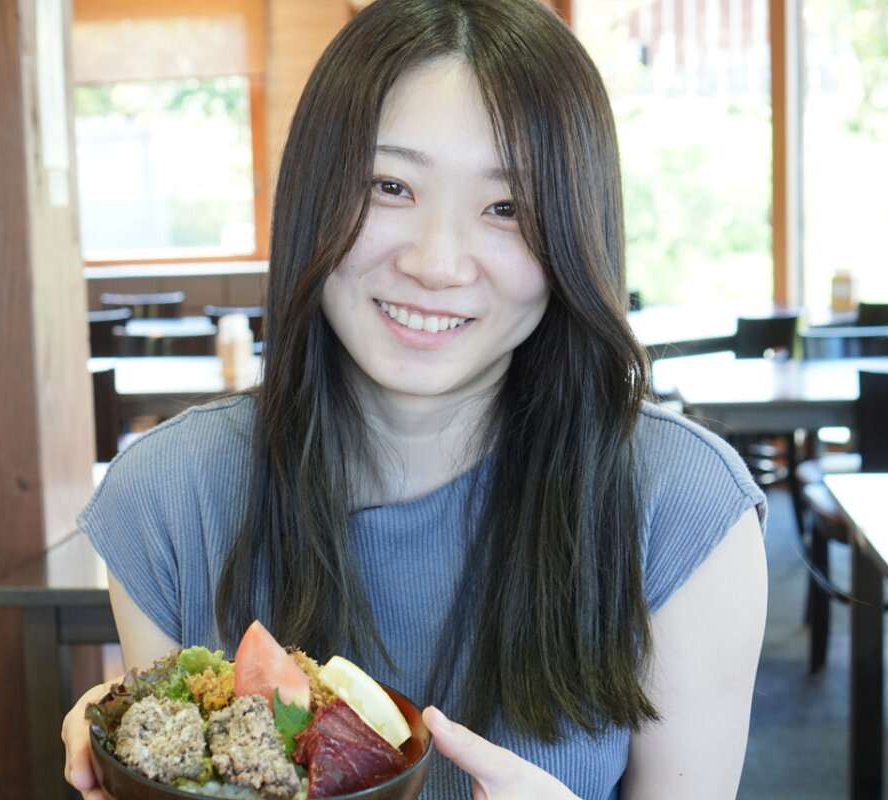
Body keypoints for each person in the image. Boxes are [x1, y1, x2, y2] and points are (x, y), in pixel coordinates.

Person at [61, 1, 768, 798]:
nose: (437, 262)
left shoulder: (682, 507)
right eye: (390, 186)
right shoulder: (169, 498)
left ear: (576, 231)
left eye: (507, 207)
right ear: (311, 196)